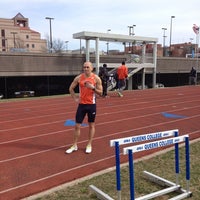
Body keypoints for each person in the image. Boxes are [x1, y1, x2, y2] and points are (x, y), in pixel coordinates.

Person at [66, 61, 103, 154]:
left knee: (91, 125)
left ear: (92, 68)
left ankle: (89, 144)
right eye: (84, 67)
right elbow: (71, 88)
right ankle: (74, 145)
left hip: (91, 105)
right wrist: (74, 97)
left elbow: (101, 93)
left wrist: (92, 88)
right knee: (77, 126)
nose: (86, 69)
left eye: (87, 67)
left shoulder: (96, 78)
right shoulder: (79, 78)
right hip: (81, 105)